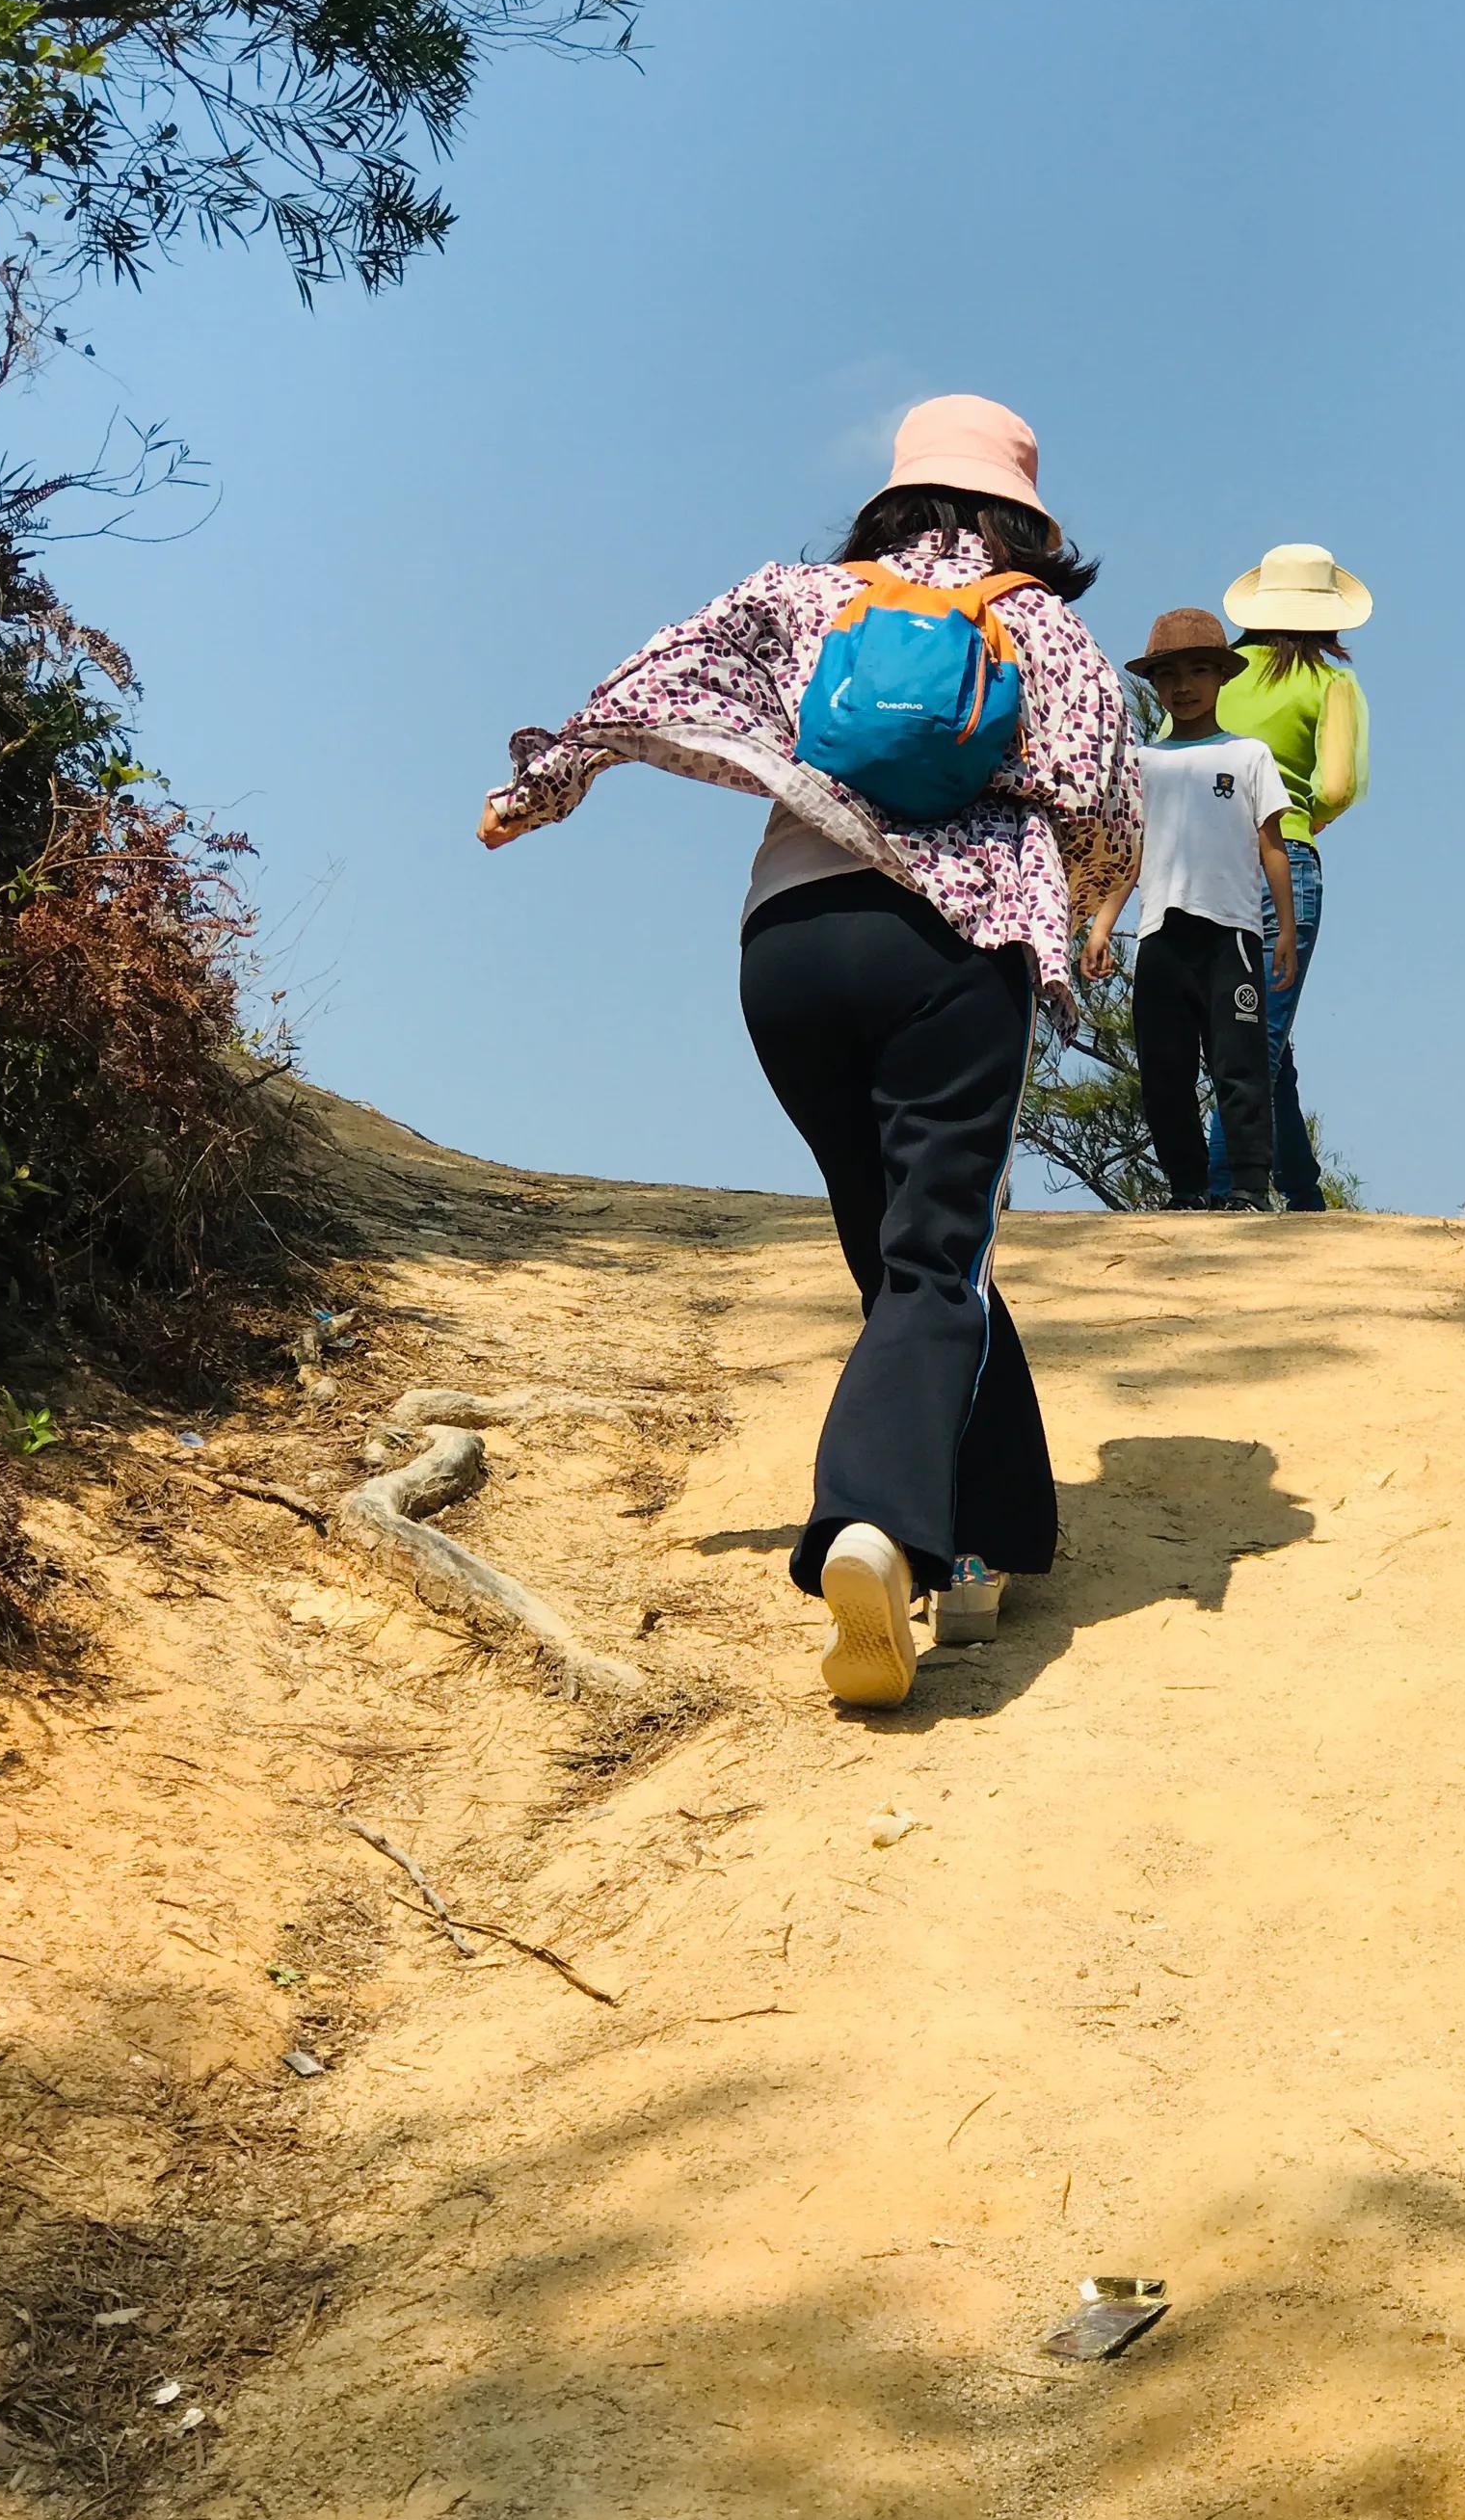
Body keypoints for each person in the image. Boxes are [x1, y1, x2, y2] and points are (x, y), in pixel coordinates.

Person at [476, 395, 1137, 1707]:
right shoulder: (1040, 623)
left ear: (891, 498)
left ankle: (994, 1537)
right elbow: (1102, 802)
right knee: (936, 1255)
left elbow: (646, 685)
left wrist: (544, 783)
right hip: (950, 942)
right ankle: (873, 1528)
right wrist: (1092, 917)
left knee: (898, 1254)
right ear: (1024, 515)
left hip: (788, 947)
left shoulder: (799, 594)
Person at [1082, 610, 1297, 1210]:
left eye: (1200, 670)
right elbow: (1131, 854)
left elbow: (1271, 843)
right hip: (1160, 936)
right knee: (1164, 1069)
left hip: (1231, 932)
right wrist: (1101, 926)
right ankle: (1187, 1187)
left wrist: (1280, 929)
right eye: (1170, 674)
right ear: (1155, 685)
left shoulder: (1248, 755)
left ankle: (1252, 1186)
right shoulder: (1142, 764)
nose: (1185, 686)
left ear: (1222, 677)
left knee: (1240, 1064)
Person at [1209, 543, 1372, 1211]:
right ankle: (1224, 1188)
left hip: (1209, 868)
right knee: (1258, 1034)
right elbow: (1337, 785)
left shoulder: (1210, 675)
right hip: (1288, 861)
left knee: (1253, 1028)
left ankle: (1302, 1193)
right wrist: (1304, 816)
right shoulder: (1333, 683)